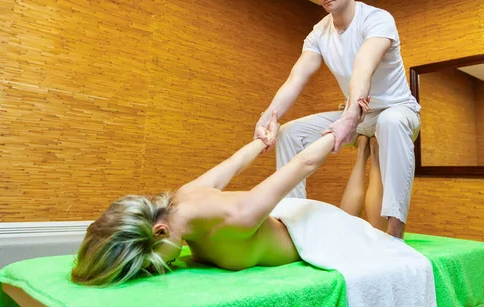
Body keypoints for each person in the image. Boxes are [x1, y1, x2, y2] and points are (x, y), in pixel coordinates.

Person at [71, 107, 368, 286]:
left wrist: (344, 125)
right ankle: (366, 148)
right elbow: (234, 164)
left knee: (356, 224)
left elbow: (303, 164)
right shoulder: (183, 198)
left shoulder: (236, 217)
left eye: (151, 266)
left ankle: (366, 150)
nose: (160, 269)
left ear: (160, 231)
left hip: (316, 233)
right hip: (282, 219)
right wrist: (265, 139)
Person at [253, 0, 420, 239]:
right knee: (289, 133)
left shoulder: (377, 19)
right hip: (358, 115)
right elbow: (297, 77)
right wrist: (269, 116)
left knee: (390, 121)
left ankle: (394, 234)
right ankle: (293, 227)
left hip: (396, 110)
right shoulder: (319, 32)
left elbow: (363, 68)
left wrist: (350, 116)